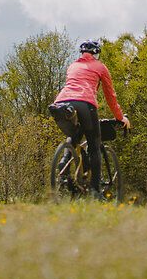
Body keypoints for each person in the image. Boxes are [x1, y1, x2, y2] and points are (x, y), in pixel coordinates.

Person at [50, 40, 128, 195]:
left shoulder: (72, 66)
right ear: (96, 53)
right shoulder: (100, 67)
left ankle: (64, 164)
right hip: (85, 103)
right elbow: (110, 96)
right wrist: (120, 117)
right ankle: (95, 191)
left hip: (61, 103)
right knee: (94, 146)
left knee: (74, 135)